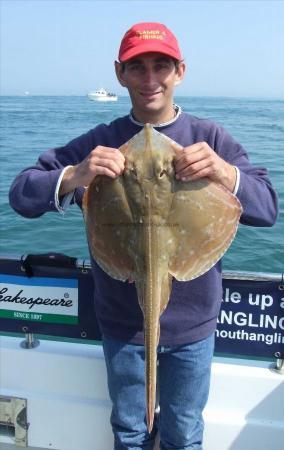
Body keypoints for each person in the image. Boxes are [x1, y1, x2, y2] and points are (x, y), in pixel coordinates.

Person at [9, 22, 278, 450]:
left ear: (180, 72)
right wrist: (77, 175)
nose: (150, 79)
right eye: (138, 68)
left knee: (184, 434)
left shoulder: (209, 139)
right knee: (130, 432)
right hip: (122, 326)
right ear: (120, 74)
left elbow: (267, 209)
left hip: (193, 327)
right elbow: (22, 194)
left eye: (161, 66)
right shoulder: (101, 142)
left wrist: (224, 173)